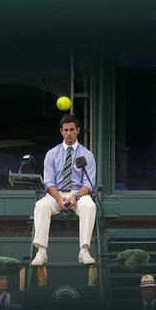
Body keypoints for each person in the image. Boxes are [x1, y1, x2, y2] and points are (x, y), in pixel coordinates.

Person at [31, 114, 98, 267]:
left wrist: (75, 196)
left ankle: (84, 251)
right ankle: (41, 251)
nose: (69, 133)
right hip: (57, 193)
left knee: (90, 206)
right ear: (61, 131)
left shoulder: (87, 155)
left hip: (79, 193)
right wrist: (59, 199)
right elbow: (48, 182)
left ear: (78, 130)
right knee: (41, 205)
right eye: (66, 130)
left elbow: (89, 183)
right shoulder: (51, 154)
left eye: (72, 130)